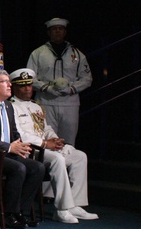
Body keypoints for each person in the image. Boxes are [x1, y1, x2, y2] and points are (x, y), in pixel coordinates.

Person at [9, 68, 98, 223]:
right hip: (30, 150)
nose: (27, 89)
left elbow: (46, 128)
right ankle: (62, 209)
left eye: (29, 85)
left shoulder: (36, 106)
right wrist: (45, 144)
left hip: (45, 147)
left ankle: (75, 204)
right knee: (57, 159)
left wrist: (55, 140)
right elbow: (20, 134)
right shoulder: (11, 107)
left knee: (79, 156)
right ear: (14, 87)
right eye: (22, 86)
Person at [0, 69, 45, 228]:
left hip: (8, 153)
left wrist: (20, 146)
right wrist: (9, 147)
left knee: (38, 167)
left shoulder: (8, 106)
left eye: (9, 81)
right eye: (5, 82)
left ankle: (20, 212)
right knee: (19, 168)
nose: (10, 85)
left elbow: (14, 132)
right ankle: (7, 215)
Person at [26, 17, 92, 145]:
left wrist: (72, 88)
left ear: (65, 32)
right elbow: (29, 77)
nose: (57, 31)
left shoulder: (77, 54)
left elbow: (87, 78)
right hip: (46, 102)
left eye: (60, 29)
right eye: (54, 29)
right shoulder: (38, 53)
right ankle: (48, 165)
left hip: (70, 103)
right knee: (47, 139)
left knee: (68, 141)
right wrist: (46, 87)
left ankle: (68, 164)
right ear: (49, 32)